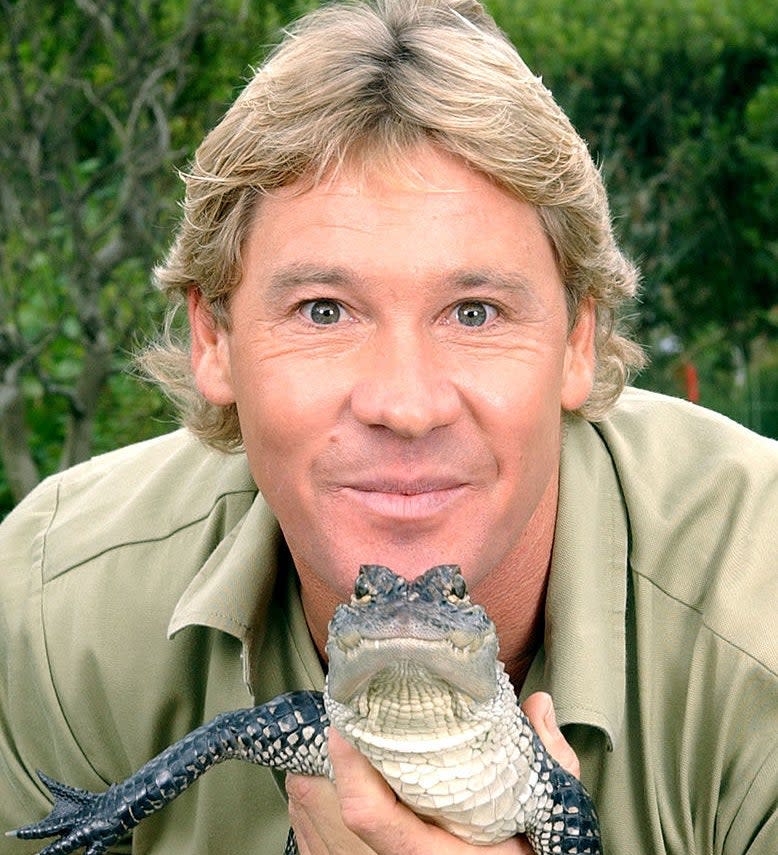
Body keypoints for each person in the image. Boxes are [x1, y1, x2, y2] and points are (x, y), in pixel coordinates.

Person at [1, 1, 776, 853]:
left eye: (474, 311)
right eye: (324, 310)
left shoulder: (761, 614)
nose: (406, 407)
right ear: (212, 338)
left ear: (577, 339)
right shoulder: (47, 611)